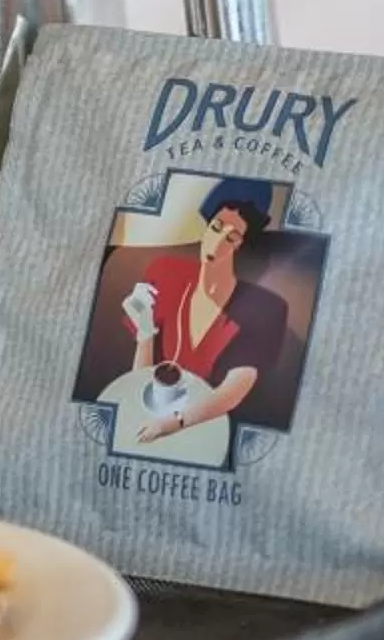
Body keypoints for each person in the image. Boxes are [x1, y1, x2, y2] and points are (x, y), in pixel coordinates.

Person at [120, 179, 289, 447]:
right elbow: (139, 383)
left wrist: (169, 424)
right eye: (216, 227)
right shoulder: (163, 274)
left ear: (242, 247)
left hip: (208, 434)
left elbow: (232, 391)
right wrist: (145, 332)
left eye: (231, 237)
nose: (216, 242)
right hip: (147, 421)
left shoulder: (265, 309)